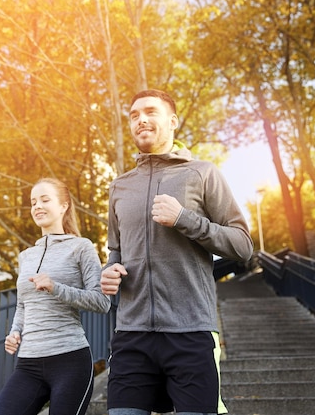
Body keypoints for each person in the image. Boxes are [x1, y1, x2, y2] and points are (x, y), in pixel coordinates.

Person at [100, 89, 254, 415]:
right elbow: (116, 250)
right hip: (132, 334)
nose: (141, 119)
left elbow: (242, 246)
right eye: (134, 114)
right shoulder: (120, 186)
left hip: (190, 331)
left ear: (172, 122)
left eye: (150, 112)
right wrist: (110, 271)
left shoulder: (202, 173)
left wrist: (185, 219)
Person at [0, 177, 111, 415]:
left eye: (45, 199)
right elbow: (24, 305)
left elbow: (102, 301)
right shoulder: (26, 256)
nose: (37, 206)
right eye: (33, 202)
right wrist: (15, 331)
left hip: (70, 360)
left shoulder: (81, 247)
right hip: (28, 363)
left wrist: (56, 288)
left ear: (63, 206)